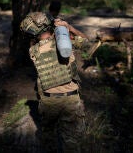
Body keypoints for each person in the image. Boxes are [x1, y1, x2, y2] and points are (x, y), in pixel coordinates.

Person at [20, 11, 89, 153]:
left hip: (48, 102)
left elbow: (38, 40)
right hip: (71, 100)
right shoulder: (66, 41)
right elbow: (86, 43)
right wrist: (67, 27)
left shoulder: (33, 50)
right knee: (73, 143)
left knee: (48, 139)